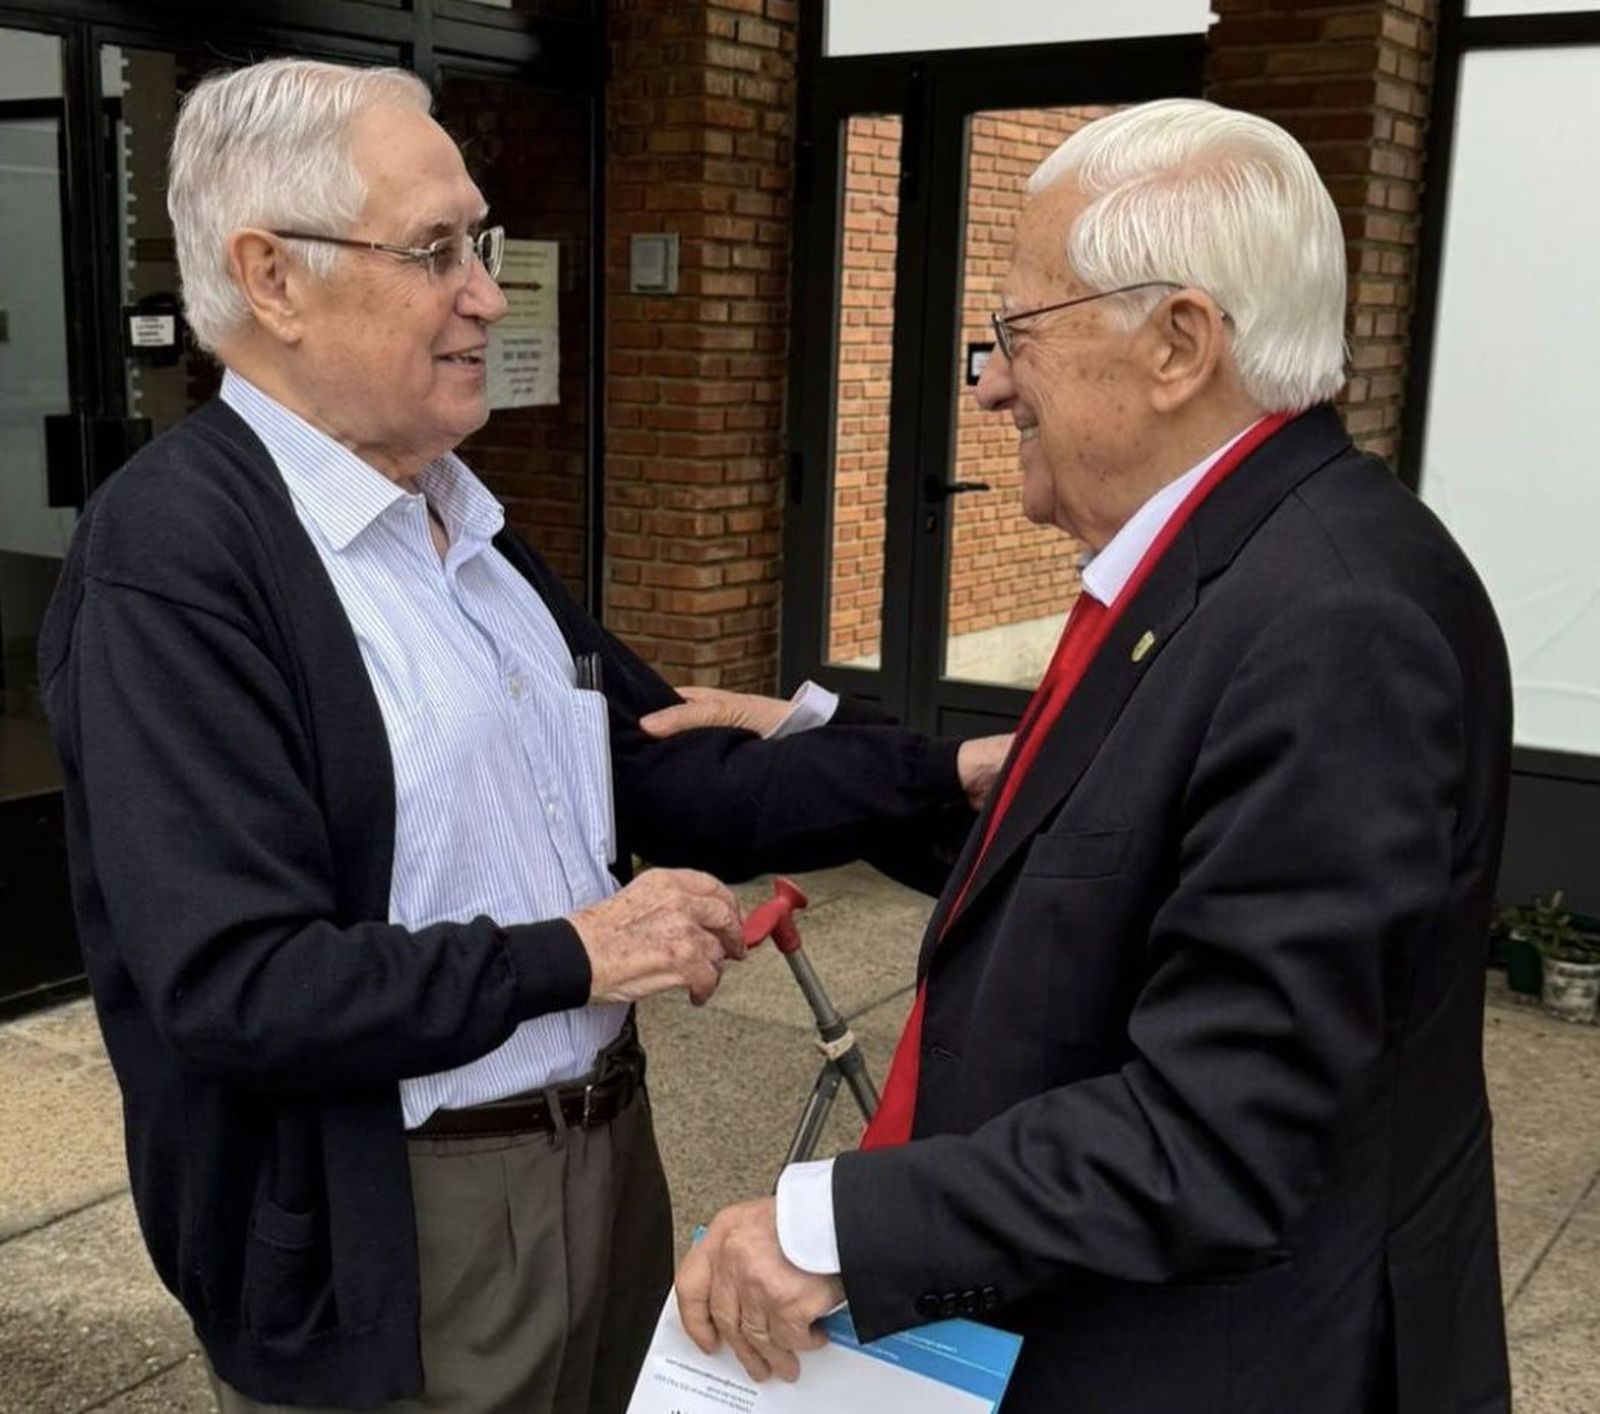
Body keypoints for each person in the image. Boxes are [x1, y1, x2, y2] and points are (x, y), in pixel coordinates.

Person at [38, 58, 1004, 1413]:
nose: (488, 292)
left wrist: (946, 769)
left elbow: (667, 760)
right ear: (271, 278)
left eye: (476, 245)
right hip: (400, 1239)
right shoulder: (177, 561)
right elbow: (239, 983)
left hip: (602, 1168)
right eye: (436, 250)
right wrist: (579, 950)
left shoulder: (463, 527)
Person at [667, 98, 1514, 1412]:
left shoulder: (1334, 621)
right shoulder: (1222, 565)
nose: (993, 380)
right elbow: (1084, 851)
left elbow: (1224, 1123)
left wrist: (838, 1229)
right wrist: (804, 740)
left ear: (1179, 341)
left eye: (1015, 333)